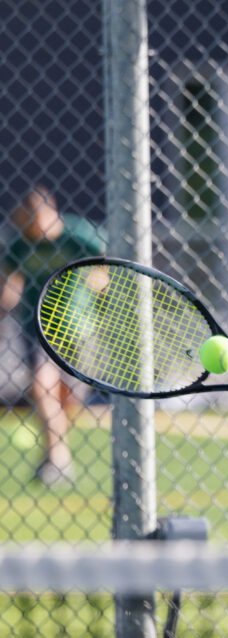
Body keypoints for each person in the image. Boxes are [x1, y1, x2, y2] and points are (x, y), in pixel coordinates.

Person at [1, 185, 106, 486]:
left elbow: (104, 264)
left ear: (49, 213)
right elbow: (10, 282)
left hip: (79, 328)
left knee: (68, 399)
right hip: (38, 328)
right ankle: (57, 458)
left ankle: (56, 448)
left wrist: (99, 281)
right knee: (41, 386)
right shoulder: (20, 244)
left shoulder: (78, 236)